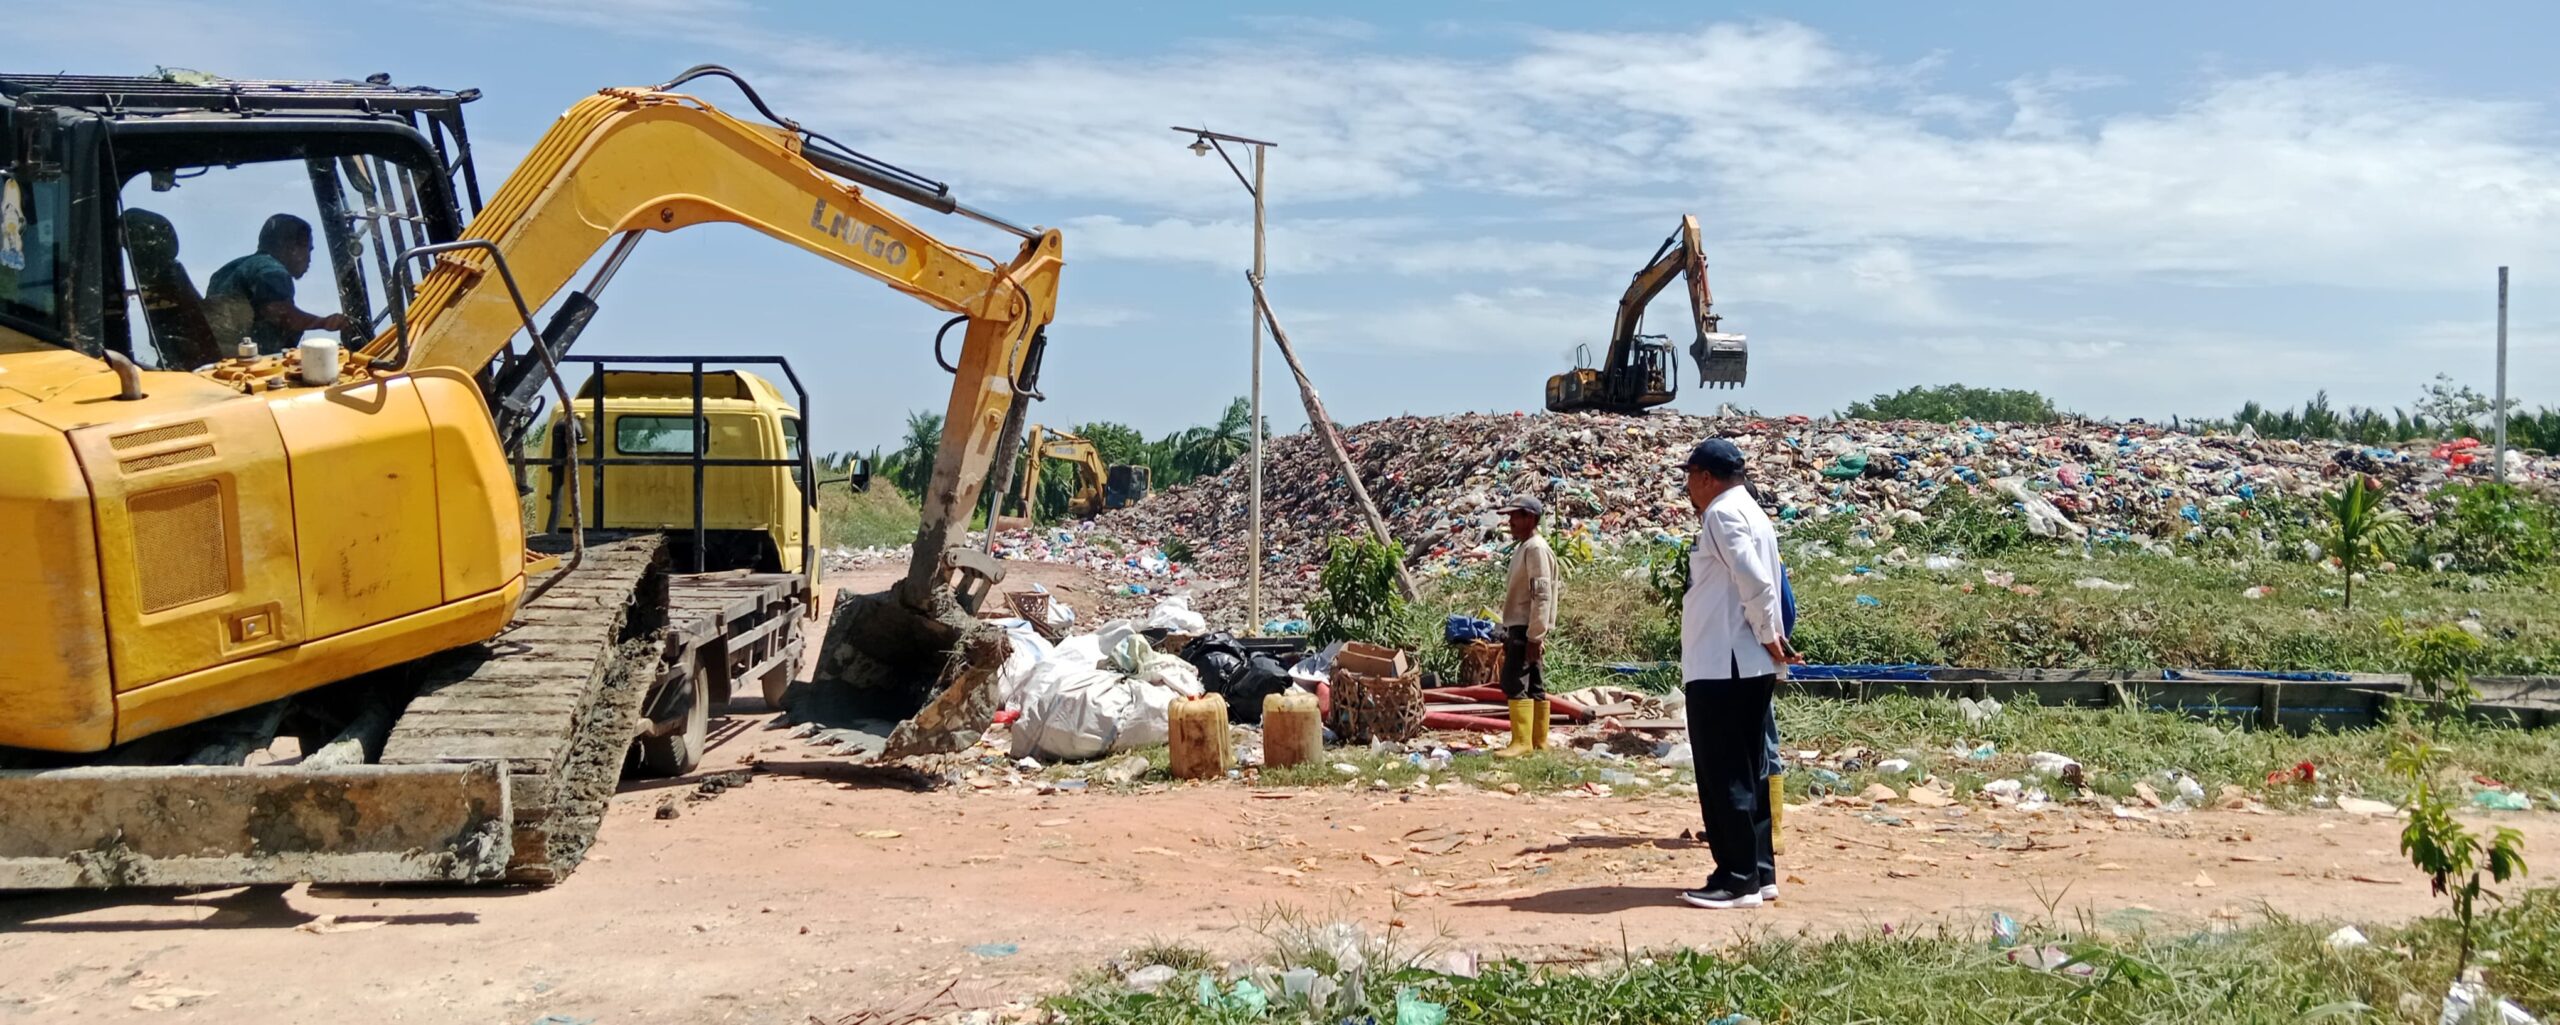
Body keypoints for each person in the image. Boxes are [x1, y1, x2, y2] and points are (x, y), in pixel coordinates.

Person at [1676, 438, 1801, 910]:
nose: (1689, 487)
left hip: (1723, 662)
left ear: (1706, 477)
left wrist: (1769, 632)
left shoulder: (1722, 514)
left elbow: (1754, 579)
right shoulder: (1753, 512)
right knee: (1751, 767)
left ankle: (1736, 878)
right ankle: (1761, 870)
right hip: (1746, 663)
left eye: (1691, 477)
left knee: (1724, 769)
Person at [204, 213, 346, 355]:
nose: (309, 259)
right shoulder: (272, 270)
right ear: (292, 247)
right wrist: (324, 322)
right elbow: (281, 314)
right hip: (251, 367)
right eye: (308, 249)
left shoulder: (224, 272)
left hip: (217, 362)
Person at [1492, 495, 1559, 758]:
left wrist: (1535, 635)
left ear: (1530, 518)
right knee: (1534, 683)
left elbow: (1541, 594)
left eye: (1515, 516)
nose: (1510, 522)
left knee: (1513, 680)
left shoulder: (1535, 548)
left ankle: (1522, 742)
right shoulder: (1527, 547)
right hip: (1527, 626)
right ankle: (1538, 741)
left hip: (1525, 626)